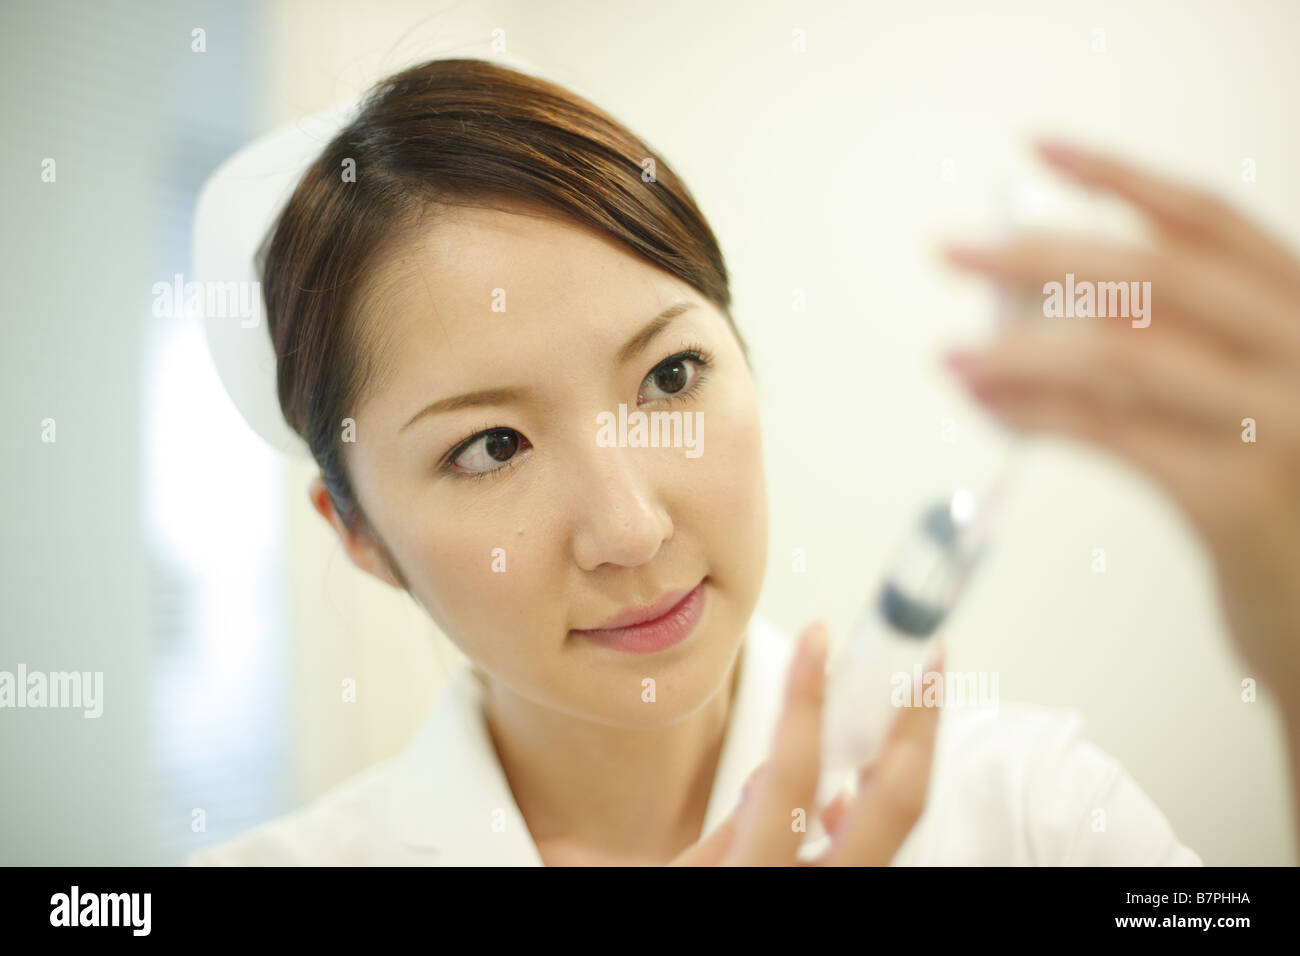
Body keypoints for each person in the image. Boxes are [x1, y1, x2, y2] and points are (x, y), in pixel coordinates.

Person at [188, 57, 1299, 866]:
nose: (631, 528)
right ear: (359, 535)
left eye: (670, 376)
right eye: (491, 446)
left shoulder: (1032, 814)